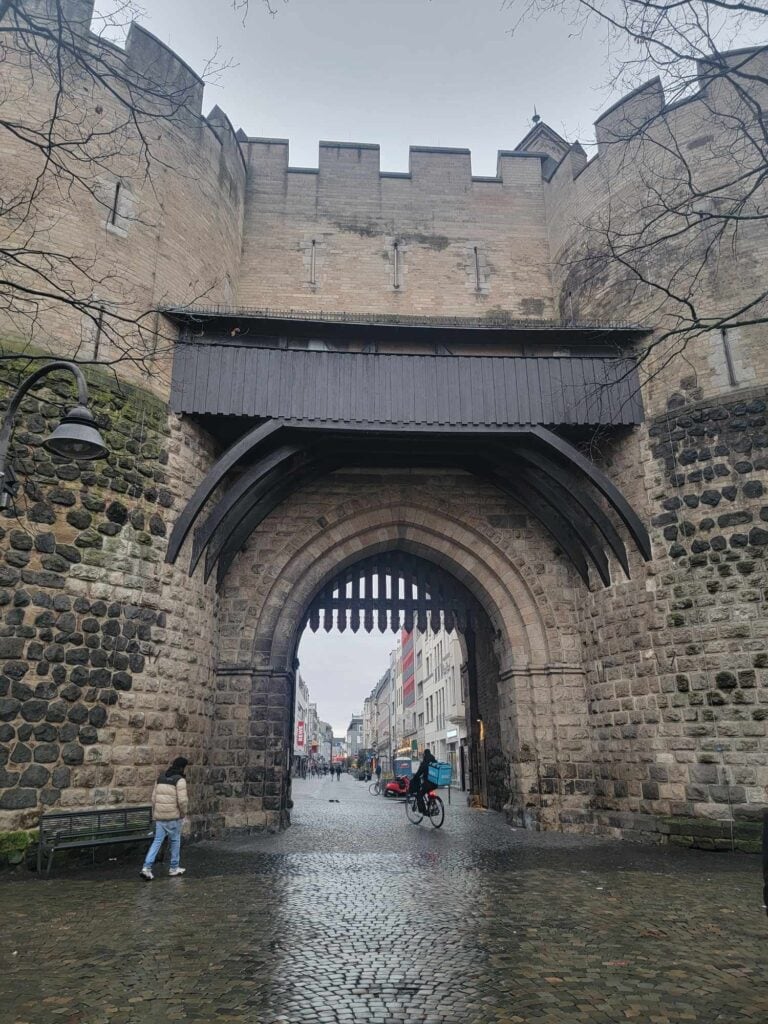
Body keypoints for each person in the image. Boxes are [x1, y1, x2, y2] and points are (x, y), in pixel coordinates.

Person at [140, 756, 189, 881]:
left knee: (157, 842)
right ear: (182, 767)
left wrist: (155, 813)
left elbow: (153, 798)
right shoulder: (180, 780)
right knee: (175, 841)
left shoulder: (160, 778)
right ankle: (174, 867)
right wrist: (183, 813)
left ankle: (146, 867)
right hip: (173, 816)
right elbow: (182, 801)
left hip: (160, 816)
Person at [410, 748, 437, 814]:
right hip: (435, 783)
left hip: (428, 783)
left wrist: (415, 778)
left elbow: (419, 772)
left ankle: (424, 811)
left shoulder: (425, 762)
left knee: (419, 794)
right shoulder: (434, 761)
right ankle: (433, 805)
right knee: (429, 792)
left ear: (425, 755)